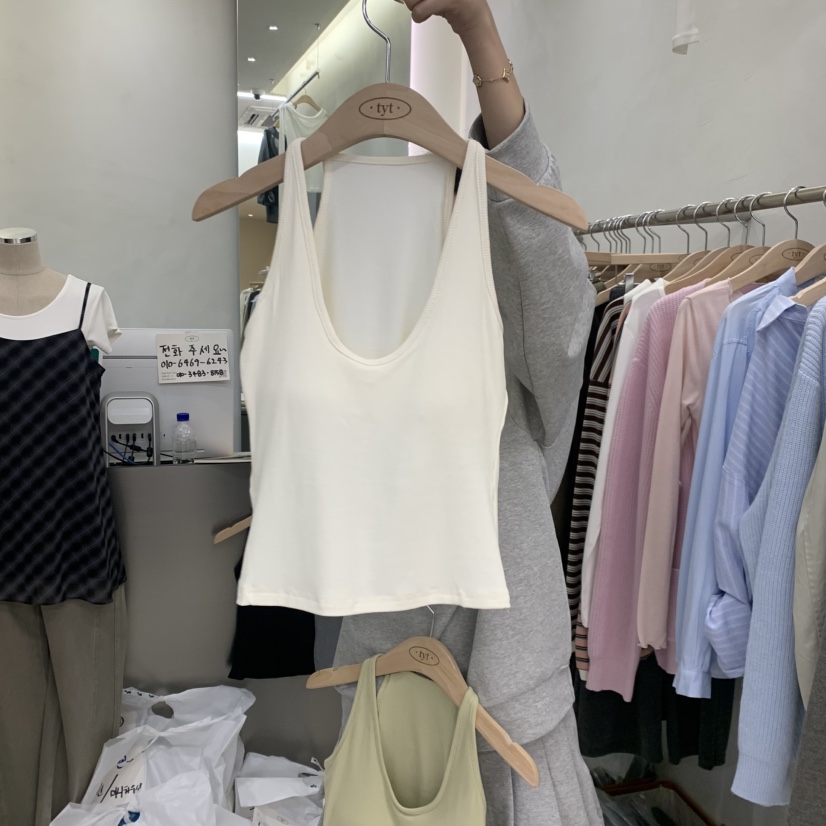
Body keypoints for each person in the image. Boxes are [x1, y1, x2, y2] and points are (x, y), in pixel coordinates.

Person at [331, 2, 602, 823]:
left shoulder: (517, 355)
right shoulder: (355, 331)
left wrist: (478, 31)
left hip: (509, 705)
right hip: (384, 680)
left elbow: (552, 296)